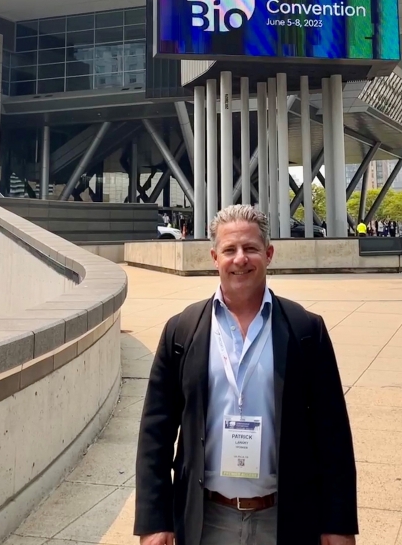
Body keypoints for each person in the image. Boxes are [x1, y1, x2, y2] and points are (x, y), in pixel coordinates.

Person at [134, 205, 358, 545]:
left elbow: (333, 433)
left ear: (268, 254)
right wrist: (154, 520)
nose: (241, 259)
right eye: (230, 250)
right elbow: (156, 432)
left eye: (251, 248)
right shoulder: (182, 331)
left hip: (284, 518)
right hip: (206, 520)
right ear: (214, 257)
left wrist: (338, 522)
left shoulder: (305, 330)